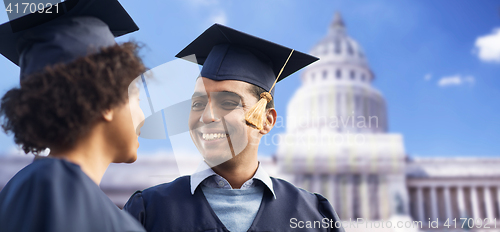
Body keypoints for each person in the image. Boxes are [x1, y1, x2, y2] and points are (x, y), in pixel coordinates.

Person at [124, 24, 344, 232]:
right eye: (198, 104)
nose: (207, 116)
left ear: (266, 121)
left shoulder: (314, 217)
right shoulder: (149, 211)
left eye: (228, 103)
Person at [0, 0, 147, 231]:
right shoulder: (51, 185)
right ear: (105, 99)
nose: (143, 117)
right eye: (136, 98)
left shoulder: (37, 187)